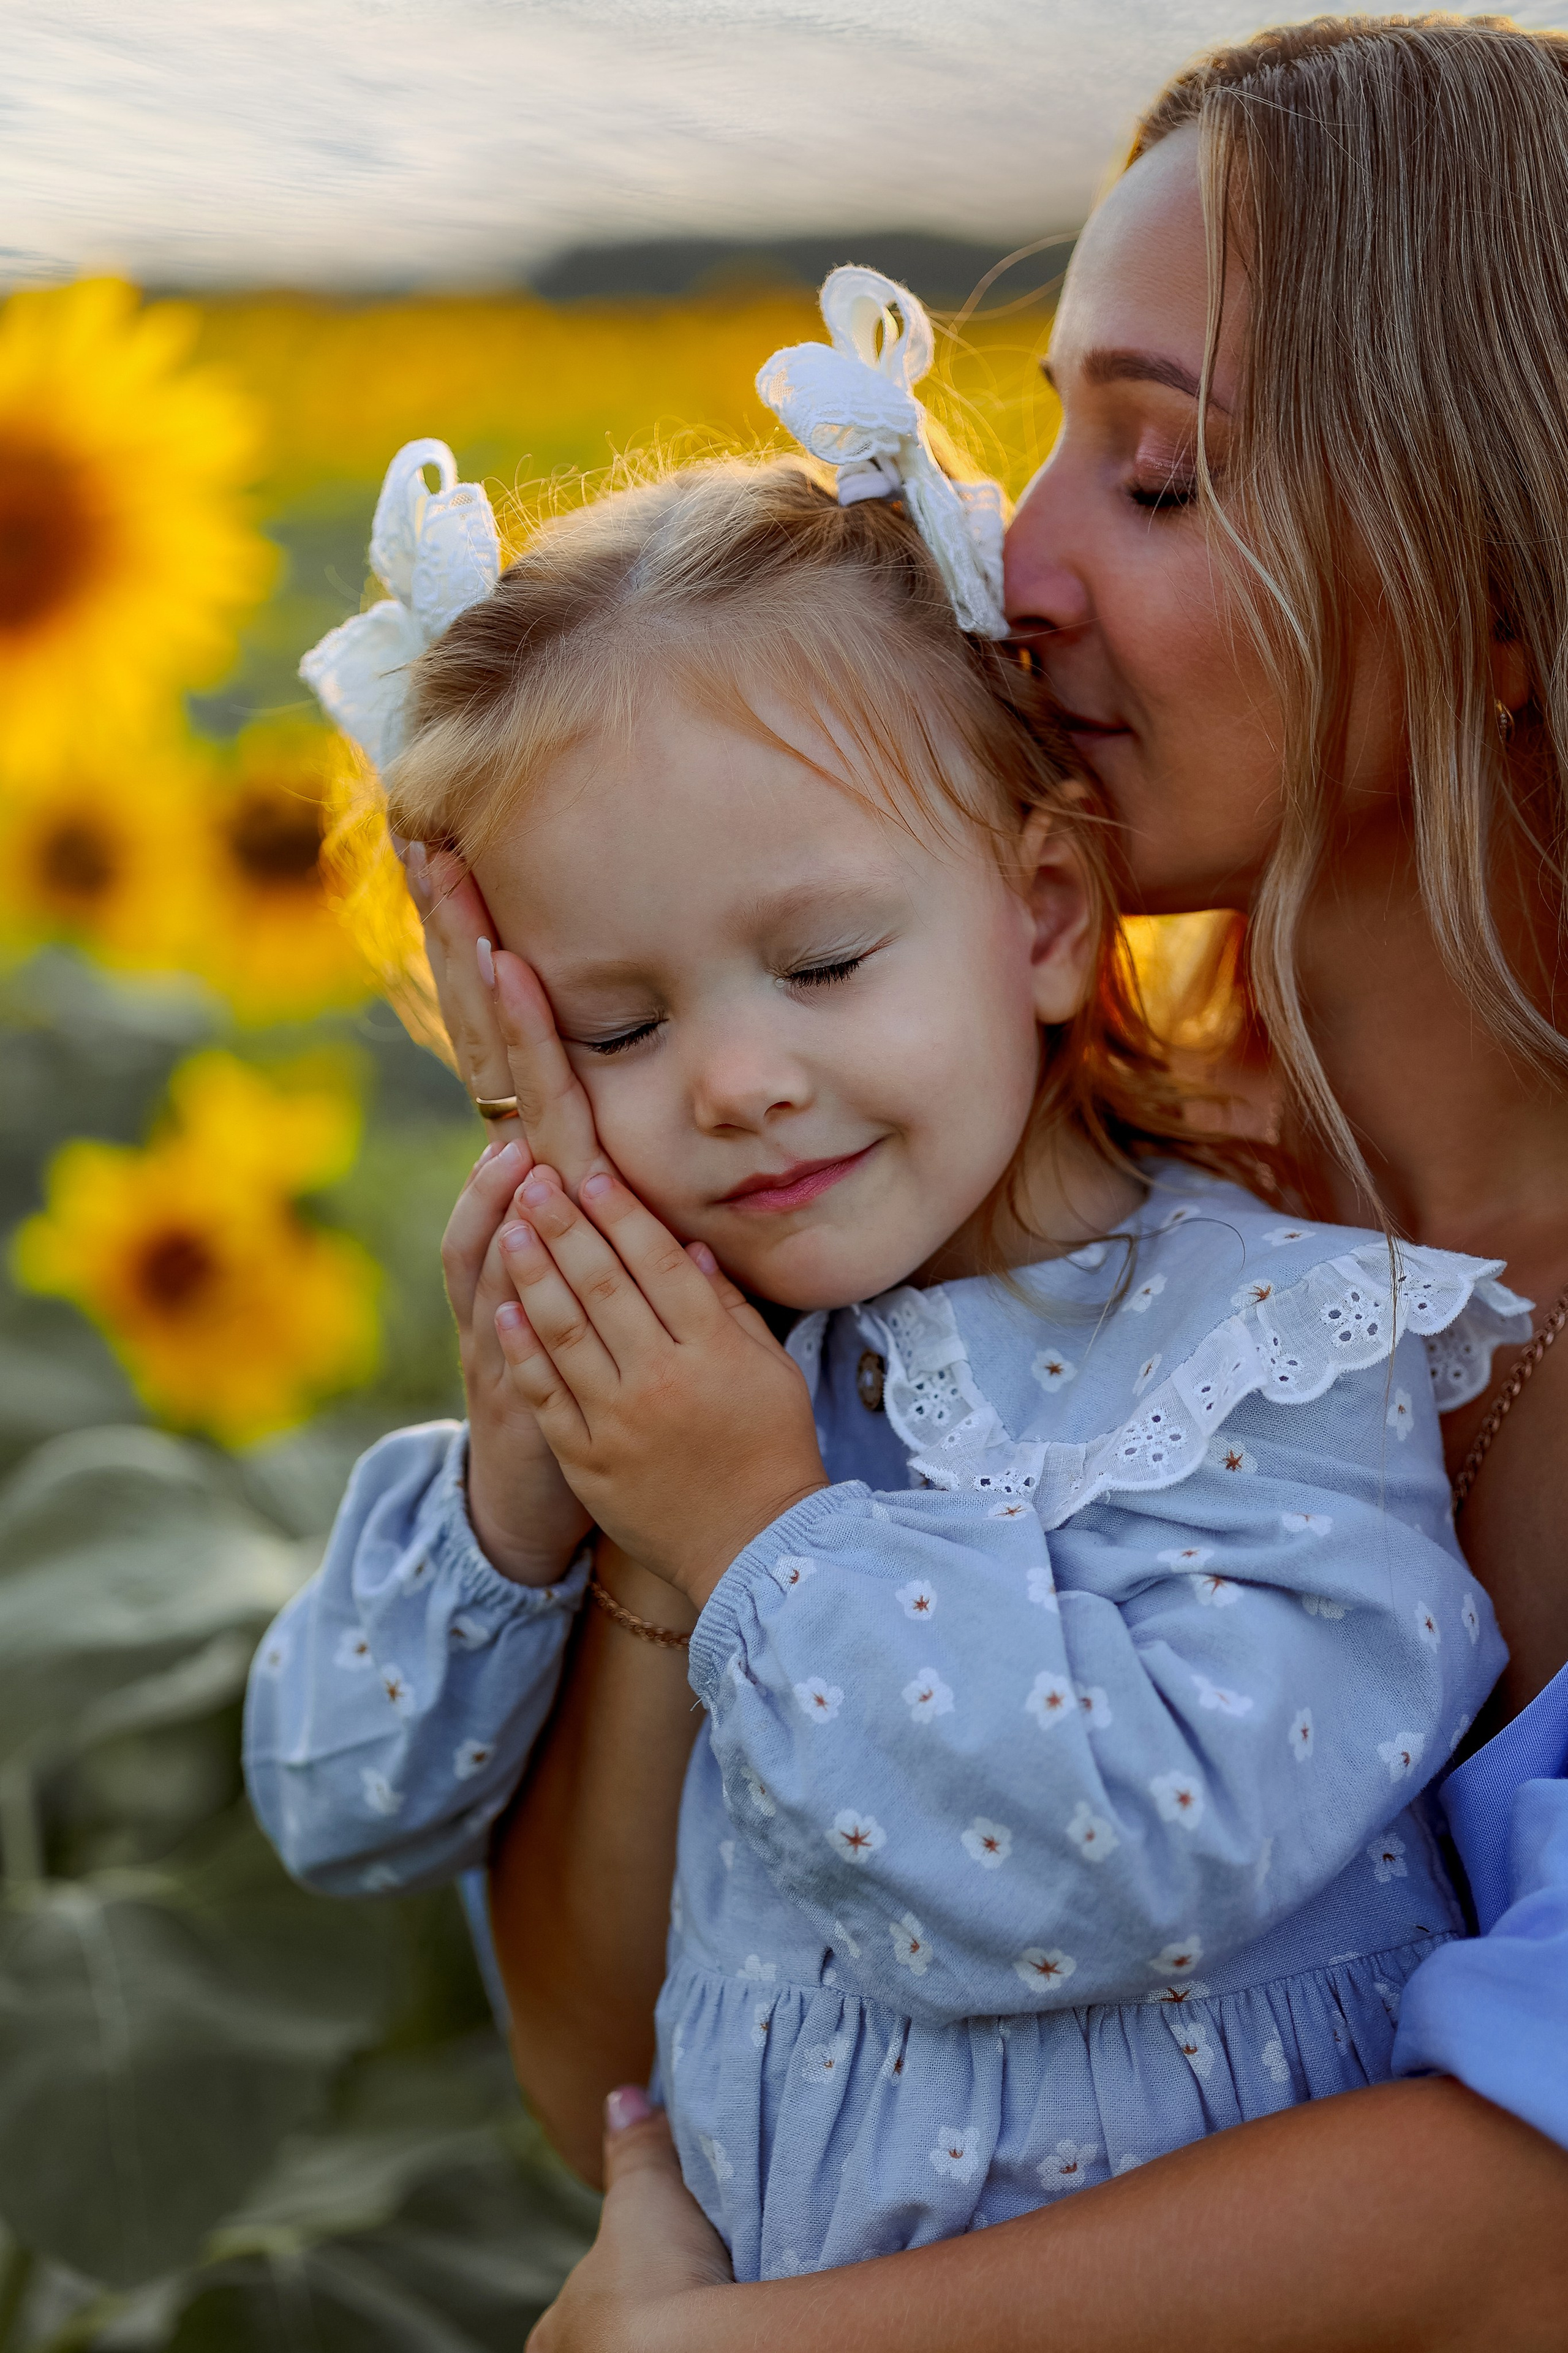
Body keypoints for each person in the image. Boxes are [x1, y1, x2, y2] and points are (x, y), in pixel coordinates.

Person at [246, 256, 1537, 2300]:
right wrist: (523, 1485)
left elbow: (1124, 1855)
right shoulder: (729, 1346)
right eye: (616, 1024)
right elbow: (337, 1805)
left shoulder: (1274, 1352)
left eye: (825, 963)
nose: (737, 1081)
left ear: (1045, 915)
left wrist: (751, 1531)